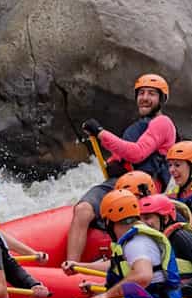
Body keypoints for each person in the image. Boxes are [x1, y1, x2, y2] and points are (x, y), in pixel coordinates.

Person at [64, 74, 177, 264]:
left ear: (161, 99)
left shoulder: (163, 123)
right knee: (83, 210)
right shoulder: (136, 127)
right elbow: (122, 156)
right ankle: (71, 267)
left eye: (151, 94)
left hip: (143, 188)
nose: (145, 98)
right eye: (141, 93)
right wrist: (113, 164)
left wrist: (101, 133)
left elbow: (138, 153)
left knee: (121, 223)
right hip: (119, 184)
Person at [65, 189, 181, 298]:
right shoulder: (135, 240)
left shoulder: (137, 242)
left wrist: (107, 295)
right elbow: (118, 267)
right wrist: (80, 266)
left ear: (108, 222)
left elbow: (142, 276)